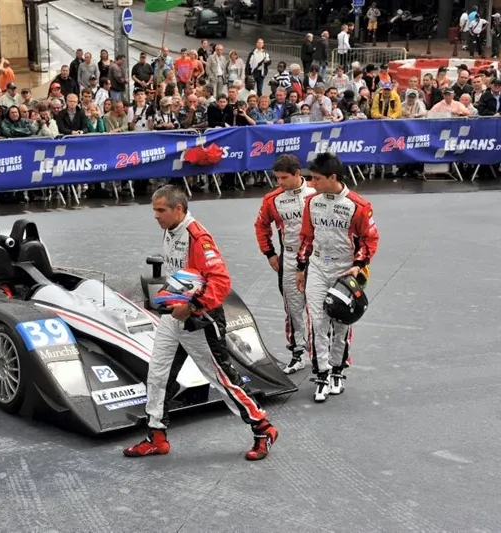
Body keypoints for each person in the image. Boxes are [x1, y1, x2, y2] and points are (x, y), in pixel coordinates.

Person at [124, 185, 278, 461]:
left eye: (160, 210)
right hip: (174, 317)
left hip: (200, 319)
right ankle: (156, 436)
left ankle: (263, 428)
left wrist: (192, 306)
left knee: (221, 378)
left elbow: (220, 281)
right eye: (154, 210)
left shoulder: (198, 237)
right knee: (158, 374)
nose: (155, 216)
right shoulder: (171, 230)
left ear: (178, 209)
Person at [296, 153, 379, 403]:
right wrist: (301, 267)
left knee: (342, 323)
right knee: (317, 322)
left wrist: (358, 265)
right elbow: (307, 237)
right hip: (317, 267)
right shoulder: (311, 202)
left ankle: (337, 371)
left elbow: (369, 239)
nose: (312, 183)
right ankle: (321, 374)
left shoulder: (358, 205)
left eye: (316, 179)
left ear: (333, 177)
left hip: (345, 269)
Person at [254, 155, 316, 374]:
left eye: (284, 178)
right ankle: (298, 353)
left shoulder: (316, 192)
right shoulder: (272, 199)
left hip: (318, 259)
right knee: (293, 309)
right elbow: (261, 226)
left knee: (321, 309)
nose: (279, 182)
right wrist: (270, 253)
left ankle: (321, 354)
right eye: (277, 178)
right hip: (289, 259)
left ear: (297, 173)